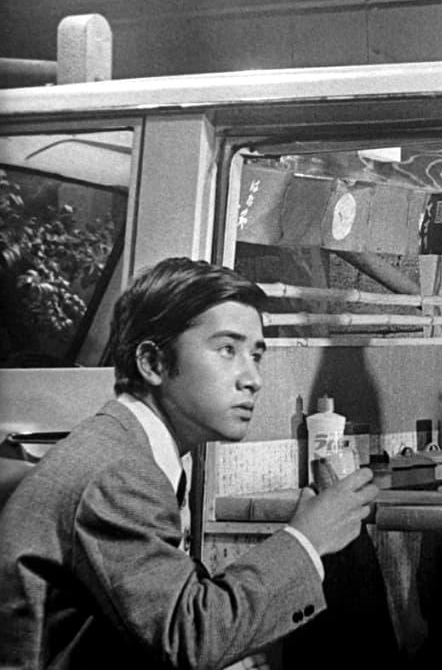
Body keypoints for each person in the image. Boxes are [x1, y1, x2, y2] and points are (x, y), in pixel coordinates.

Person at [0, 257, 380, 670]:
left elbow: (163, 619)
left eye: (256, 355)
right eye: (227, 350)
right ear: (154, 363)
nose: (252, 378)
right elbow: (189, 638)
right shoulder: (119, 473)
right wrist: (308, 539)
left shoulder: (129, 449)